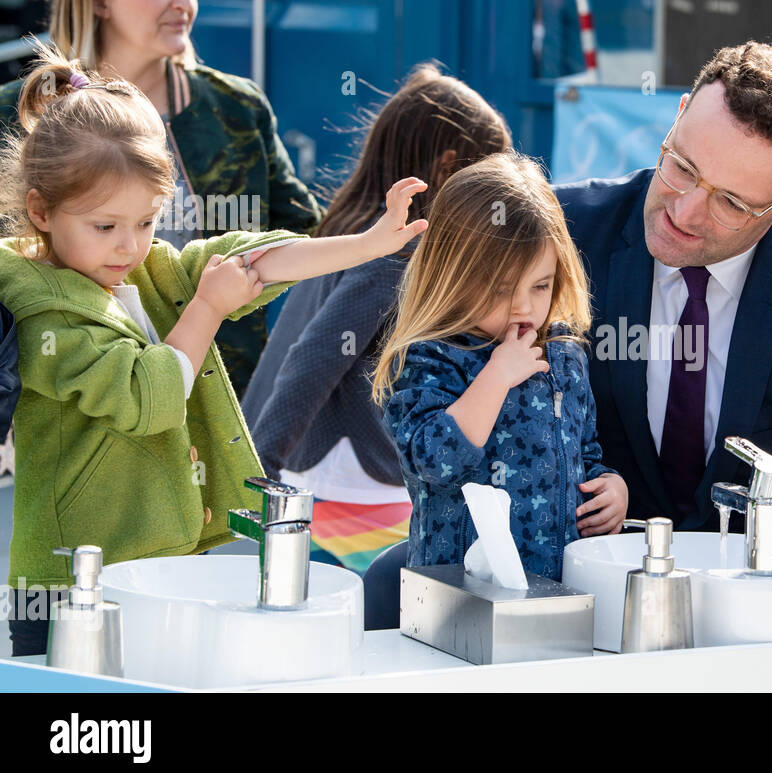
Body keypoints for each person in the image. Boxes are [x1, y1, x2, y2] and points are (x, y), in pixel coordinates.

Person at [0, 46, 427, 655]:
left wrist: (367, 243)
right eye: (105, 226)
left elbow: (256, 260)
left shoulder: (144, 272)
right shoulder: (44, 309)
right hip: (68, 589)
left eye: (147, 222)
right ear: (41, 211)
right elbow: (149, 398)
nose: (130, 245)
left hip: (151, 567)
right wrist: (206, 309)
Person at [554, 42, 772, 590]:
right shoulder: (560, 236)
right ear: (677, 117)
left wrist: (734, 611)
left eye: (731, 203)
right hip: (573, 596)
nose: (684, 210)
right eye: (680, 167)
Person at [241, 64, 512, 574]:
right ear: (449, 166)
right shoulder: (390, 255)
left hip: (323, 476)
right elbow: (316, 356)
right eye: (483, 179)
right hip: (344, 482)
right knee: (372, 623)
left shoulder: (349, 228)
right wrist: (261, 469)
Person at [0, 0, 323, 397]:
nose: (182, 4)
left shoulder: (237, 105)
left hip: (223, 400)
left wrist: (381, 240)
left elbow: (306, 226)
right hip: (73, 412)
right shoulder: (19, 108)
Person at [374, 152, 628, 580]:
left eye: (541, 285)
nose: (525, 307)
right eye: (502, 289)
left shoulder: (563, 354)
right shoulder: (429, 356)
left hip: (558, 591)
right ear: (453, 276)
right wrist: (496, 376)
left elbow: (584, 453)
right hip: (458, 598)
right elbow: (435, 462)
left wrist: (610, 487)